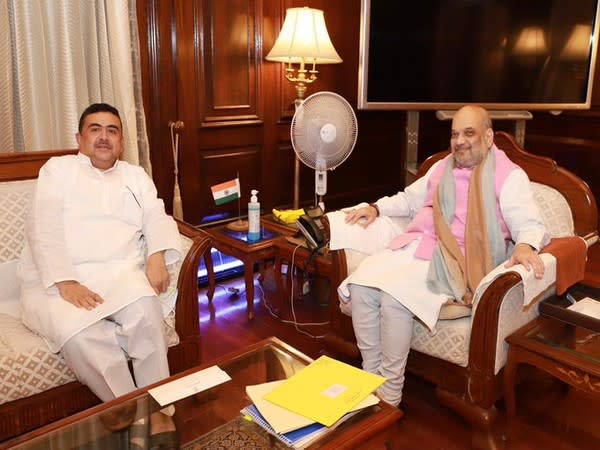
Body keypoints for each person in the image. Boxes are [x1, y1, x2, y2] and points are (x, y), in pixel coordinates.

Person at [341, 105, 549, 407]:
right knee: (361, 286)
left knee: (393, 298)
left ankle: (389, 394)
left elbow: (530, 224)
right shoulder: (442, 167)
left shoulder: (509, 176)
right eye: (454, 134)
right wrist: (376, 208)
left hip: (454, 260)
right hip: (414, 245)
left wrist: (524, 245)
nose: (459, 141)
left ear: (489, 137)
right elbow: (409, 200)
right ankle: (370, 377)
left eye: (469, 133)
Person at [18, 103, 180, 442]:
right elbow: (41, 226)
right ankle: (128, 408)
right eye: (95, 129)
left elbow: (156, 214)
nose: (104, 137)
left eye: (112, 130)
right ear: (80, 138)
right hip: (61, 276)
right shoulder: (57, 171)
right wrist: (64, 280)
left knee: (147, 311)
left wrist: (156, 255)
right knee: (78, 333)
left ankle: (160, 410)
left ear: (121, 142)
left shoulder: (135, 175)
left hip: (120, 270)